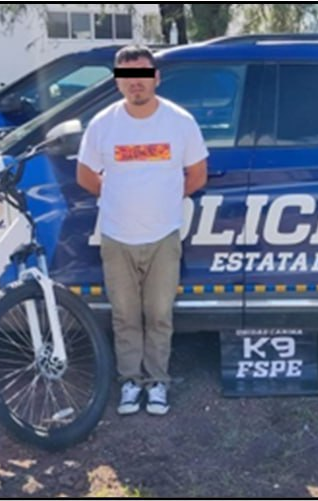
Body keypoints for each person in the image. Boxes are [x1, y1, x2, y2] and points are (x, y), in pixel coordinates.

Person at [76, 45, 208, 416]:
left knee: (159, 314)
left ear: (156, 78)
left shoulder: (180, 122)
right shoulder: (103, 124)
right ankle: (130, 381)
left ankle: (158, 382)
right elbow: (85, 175)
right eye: (127, 76)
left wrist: (163, 198)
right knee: (125, 316)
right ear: (118, 82)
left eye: (143, 74)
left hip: (164, 236)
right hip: (116, 236)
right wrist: (118, 196)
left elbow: (197, 175)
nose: (136, 82)